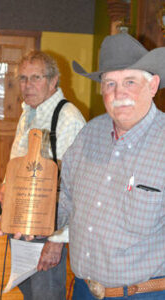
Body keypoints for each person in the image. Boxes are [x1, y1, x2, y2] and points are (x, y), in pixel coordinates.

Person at [52, 33, 165, 299]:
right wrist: (28, 215)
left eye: (130, 82)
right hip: (84, 289)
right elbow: (65, 199)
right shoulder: (89, 134)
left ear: (153, 85)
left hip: (143, 294)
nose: (118, 93)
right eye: (109, 83)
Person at [0, 51, 86, 300]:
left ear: (53, 80)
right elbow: (17, 160)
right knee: (29, 291)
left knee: (46, 295)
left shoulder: (68, 119)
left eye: (35, 78)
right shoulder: (29, 113)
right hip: (22, 222)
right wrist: (6, 194)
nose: (27, 85)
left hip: (50, 227)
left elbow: (78, 187)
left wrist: (58, 240)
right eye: (23, 78)